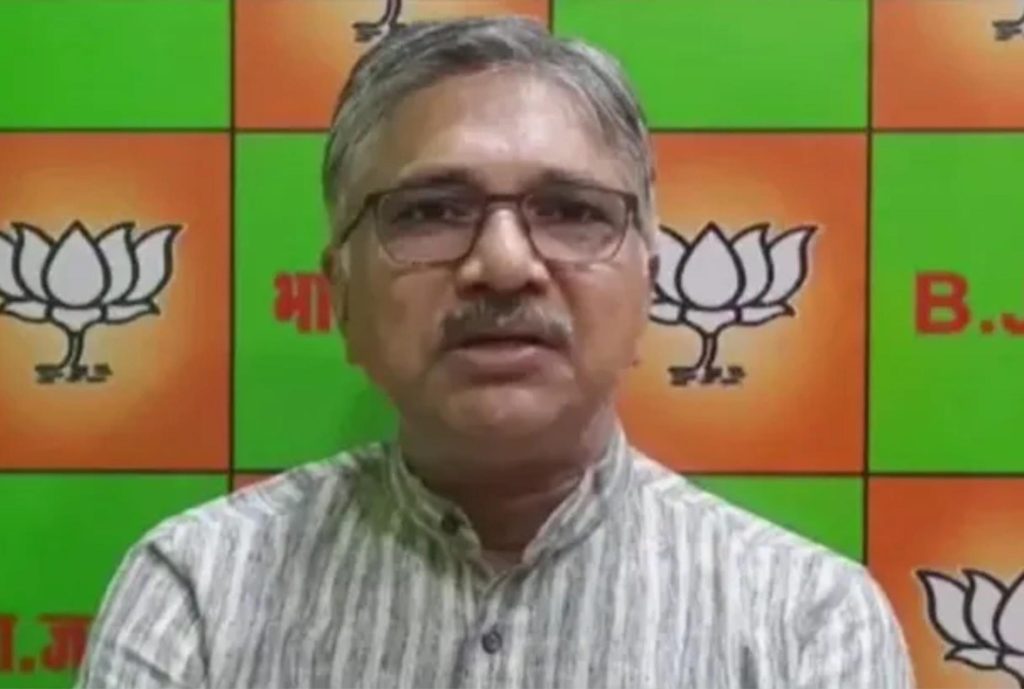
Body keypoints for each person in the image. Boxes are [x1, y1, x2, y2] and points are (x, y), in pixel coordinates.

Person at [76, 16, 913, 689]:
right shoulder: (199, 590)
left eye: (571, 210)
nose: (505, 263)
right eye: (432, 210)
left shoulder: (805, 622)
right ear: (342, 295)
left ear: (648, 284)